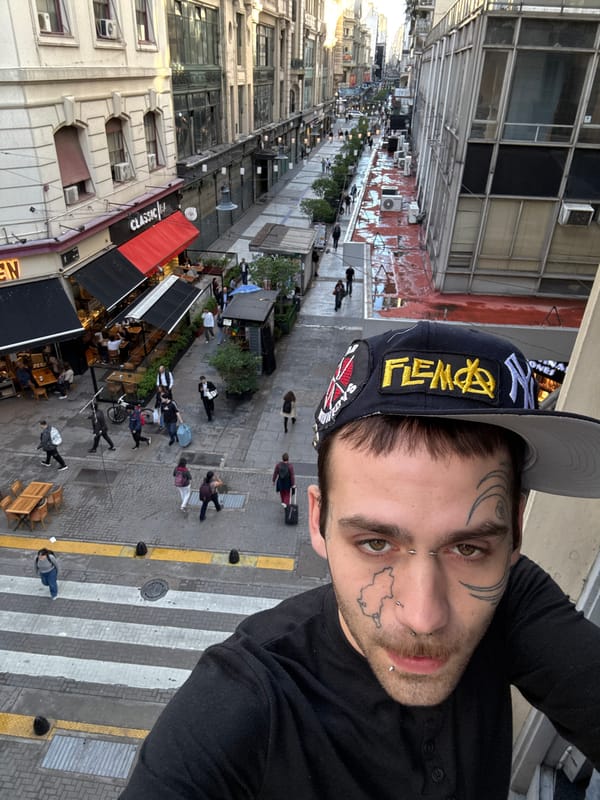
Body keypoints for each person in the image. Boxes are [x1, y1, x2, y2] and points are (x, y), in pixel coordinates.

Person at [121, 321, 600, 799]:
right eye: (375, 543)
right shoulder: (244, 702)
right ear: (318, 520)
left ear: (516, 531)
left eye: (468, 548)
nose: (423, 617)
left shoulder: (511, 597)